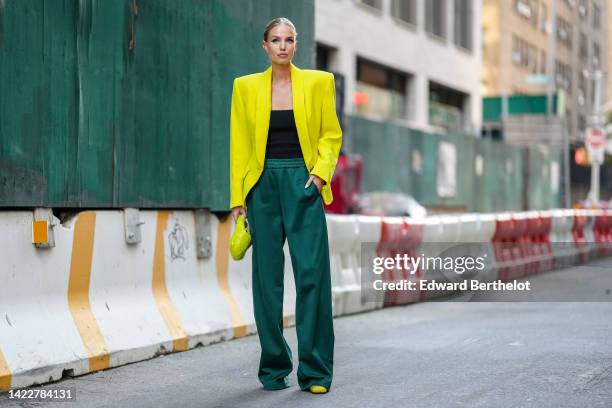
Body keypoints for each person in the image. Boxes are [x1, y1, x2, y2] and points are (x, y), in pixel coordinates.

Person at [229, 17, 342, 394]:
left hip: (303, 182)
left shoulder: (319, 83)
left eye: (289, 40)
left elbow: (330, 134)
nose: (282, 46)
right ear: (264, 46)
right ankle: (274, 366)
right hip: (261, 187)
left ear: (296, 45)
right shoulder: (244, 88)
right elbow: (240, 144)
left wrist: (321, 174)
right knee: (267, 281)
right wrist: (238, 199)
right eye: (275, 40)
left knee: (312, 275)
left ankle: (315, 372)